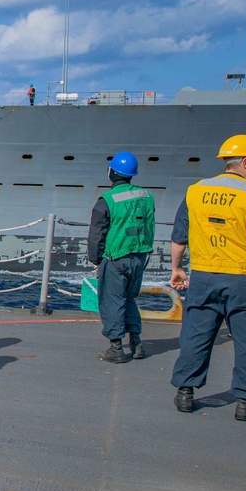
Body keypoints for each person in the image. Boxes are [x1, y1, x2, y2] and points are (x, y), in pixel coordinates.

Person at [169, 134, 246, 421]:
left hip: (204, 276)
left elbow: (179, 235)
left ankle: (185, 393)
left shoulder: (195, 191)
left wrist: (177, 268)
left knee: (196, 335)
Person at [87, 151, 155, 363]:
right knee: (129, 299)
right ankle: (137, 343)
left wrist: (96, 259)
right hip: (139, 258)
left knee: (112, 301)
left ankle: (116, 348)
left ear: (111, 173)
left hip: (116, 257)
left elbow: (97, 234)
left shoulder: (106, 200)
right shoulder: (146, 196)